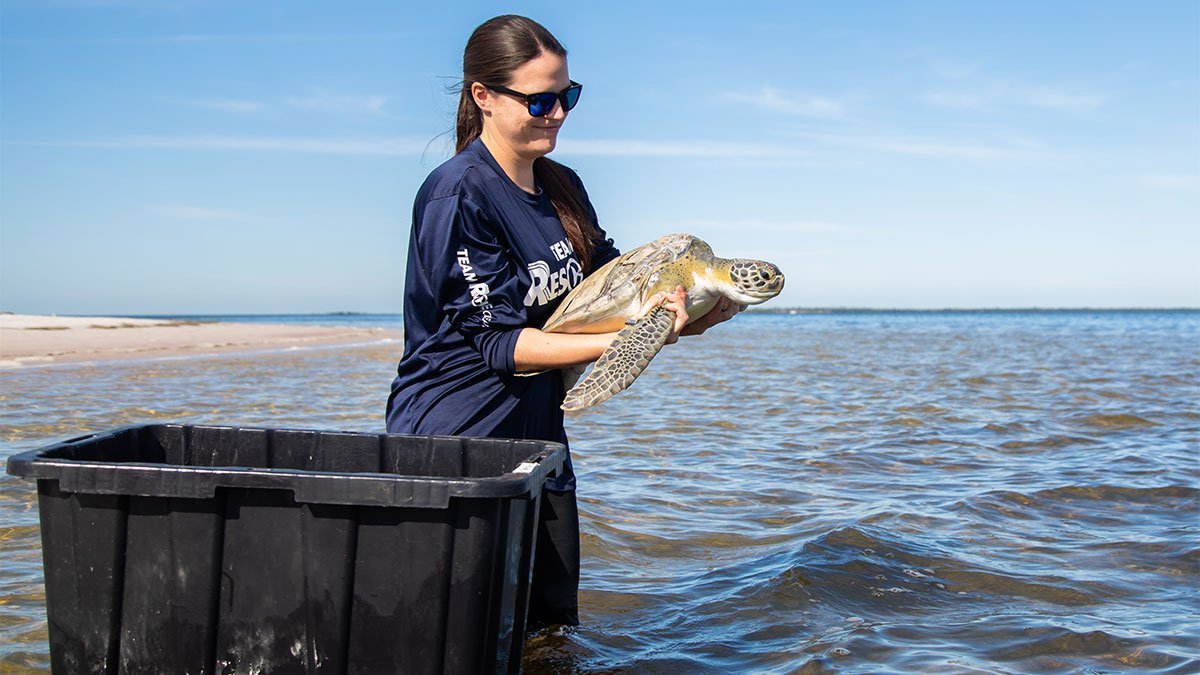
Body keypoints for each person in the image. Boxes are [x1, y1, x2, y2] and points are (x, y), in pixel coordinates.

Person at [385, 14, 742, 630]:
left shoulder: (564, 187)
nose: (557, 113)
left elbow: (622, 289)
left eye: (568, 96)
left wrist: (692, 315)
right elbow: (498, 344)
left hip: (541, 440)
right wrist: (631, 340)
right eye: (540, 99)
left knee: (553, 631)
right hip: (456, 443)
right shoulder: (458, 195)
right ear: (483, 97)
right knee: (458, 636)